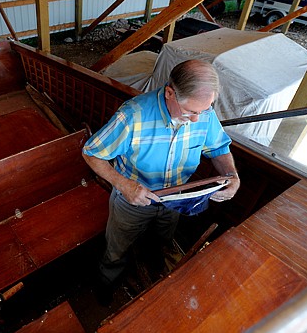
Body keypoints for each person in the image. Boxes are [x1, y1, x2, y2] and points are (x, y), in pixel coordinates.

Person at [82, 59, 240, 301]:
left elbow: (218, 148)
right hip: (133, 201)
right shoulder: (133, 116)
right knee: (117, 249)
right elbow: (91, 153)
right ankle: (106, 285)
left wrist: (232, 176)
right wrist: (124, 185)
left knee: (162, 241)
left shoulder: (204, 114)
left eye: (204, 110)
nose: (198, 119)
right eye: (191, 112)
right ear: (169, 93)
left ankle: (153, 277)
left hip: (176, 200)